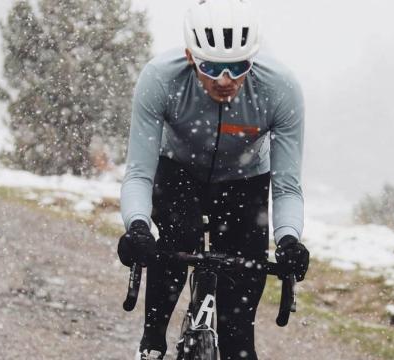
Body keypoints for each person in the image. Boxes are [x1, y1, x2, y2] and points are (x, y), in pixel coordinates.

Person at [117, 0, 310, 359]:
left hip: (244, 183)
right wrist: (138, 226)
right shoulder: (160, 78)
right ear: (191, 56)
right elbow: (139, 173)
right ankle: (153, 344)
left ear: (253, 59)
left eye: (238, 68)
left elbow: (286, 186)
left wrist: (288, 240)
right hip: (178, 173)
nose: (225, 81)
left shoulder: (280, 89)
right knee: (175, 238)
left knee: (239, 342)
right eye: (213, 67)